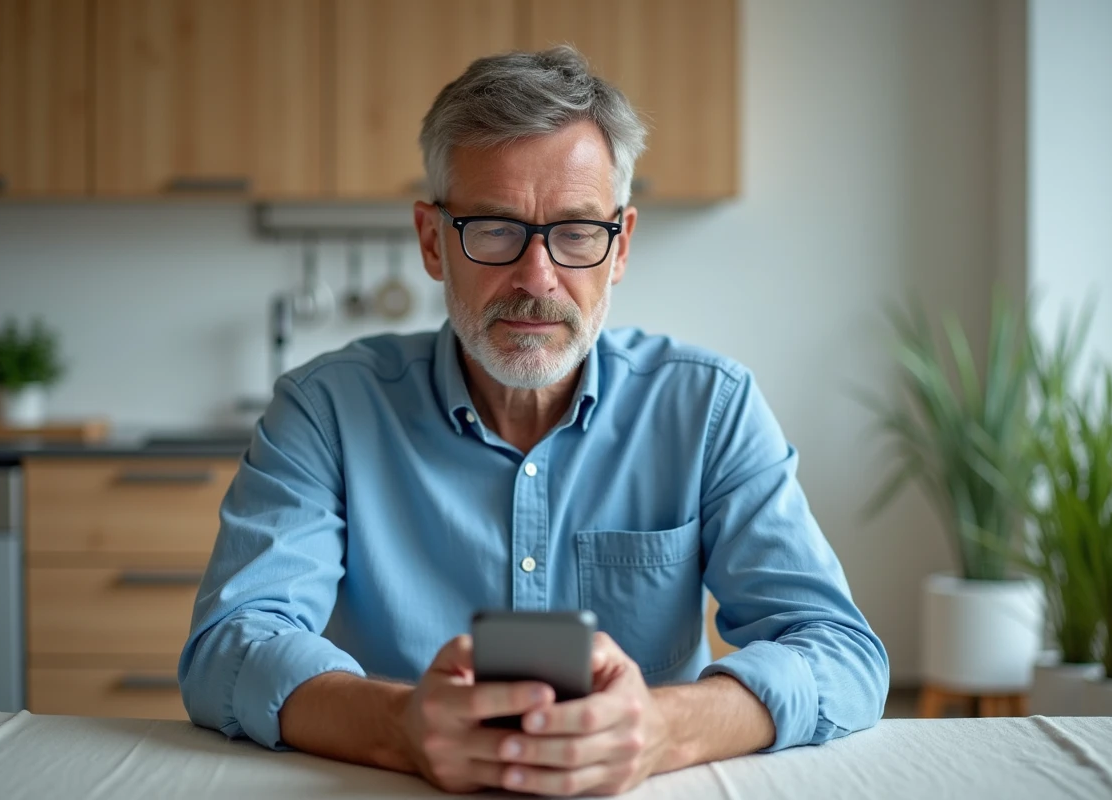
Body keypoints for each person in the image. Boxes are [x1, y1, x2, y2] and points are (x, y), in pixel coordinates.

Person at [179, 46, 888, 797]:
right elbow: (230, 646)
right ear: (431, 240)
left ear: (621, 248)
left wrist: (664, 727)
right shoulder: (326, 410)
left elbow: (841, 652)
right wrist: (400, 726)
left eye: (578, 232)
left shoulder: (709, 408)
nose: (537, 278)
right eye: (494, 228)